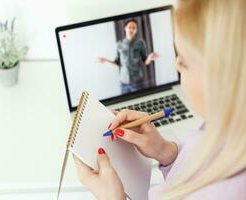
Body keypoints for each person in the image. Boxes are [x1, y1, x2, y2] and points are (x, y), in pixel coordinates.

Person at [73, 0, 246, 199]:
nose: (176, 64)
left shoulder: (223, 192)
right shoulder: (226, 125)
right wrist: (167, 152)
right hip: (125, 79)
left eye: (184, 59)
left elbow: (144, 60)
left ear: (226, 79)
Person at [97, 19, 159, 95]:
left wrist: (149, 58)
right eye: (130, 27)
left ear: (136, 30)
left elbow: (145, 61)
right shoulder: (119, 44)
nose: (131, 29)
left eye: (134, 28)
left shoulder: (140, 43)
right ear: (125, 28)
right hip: (124, 82)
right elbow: (117, 64)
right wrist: (106, 61)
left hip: (137, 81)